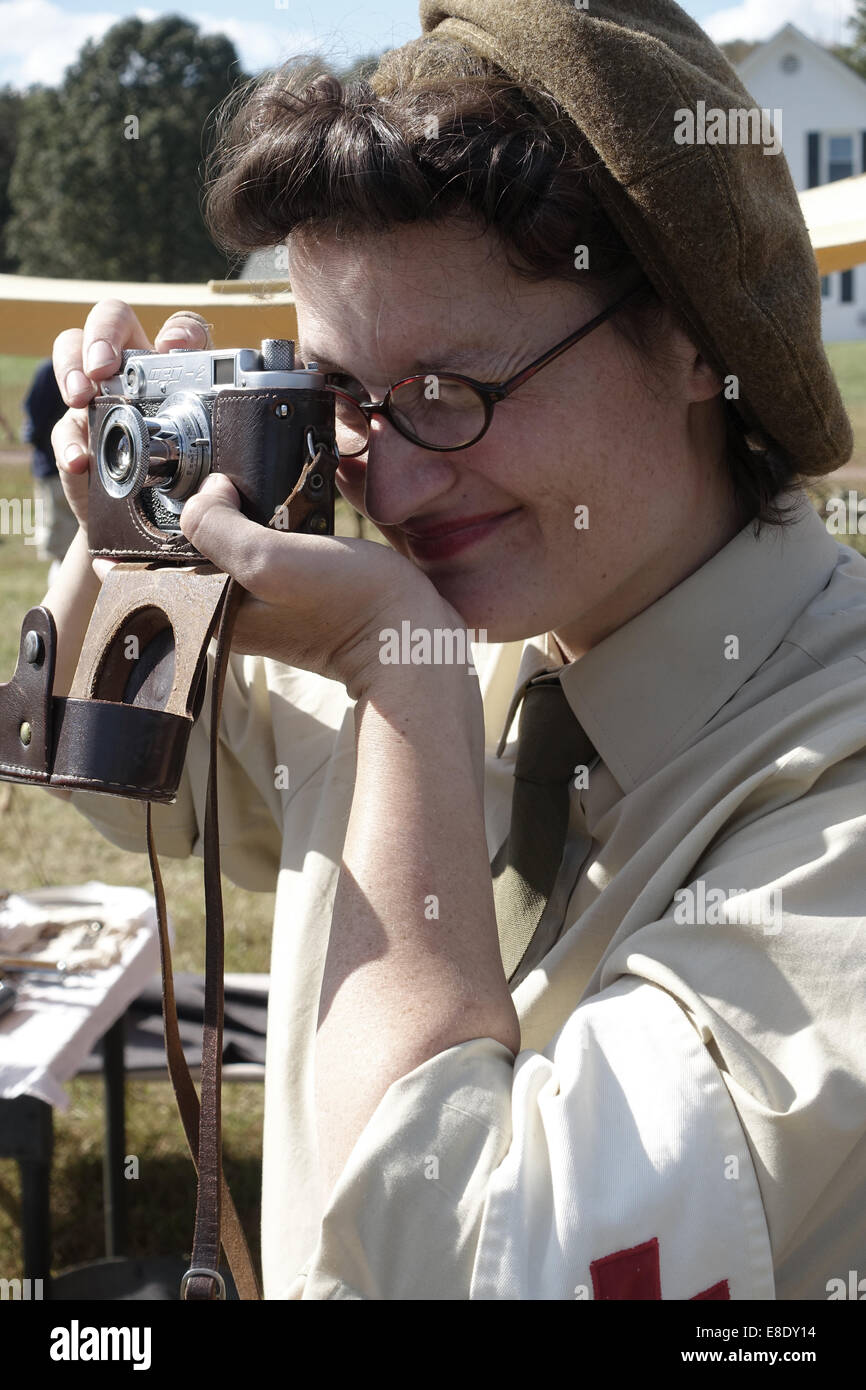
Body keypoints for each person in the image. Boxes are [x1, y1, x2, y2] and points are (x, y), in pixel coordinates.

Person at [42, 0, 866, 1300]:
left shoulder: (833, 802)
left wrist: (401, 678)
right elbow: (114, 776)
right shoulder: (457, 609)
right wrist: (133, 528)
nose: (396, 484)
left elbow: (473, 1259)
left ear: (694, 340)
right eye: (344, 398)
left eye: (449, 392)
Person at [22, 358, 77, 582]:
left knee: (63, 553)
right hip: (81, 469)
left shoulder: (48, 370)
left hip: (53, 467)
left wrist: (35, 441)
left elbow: (34, 419)